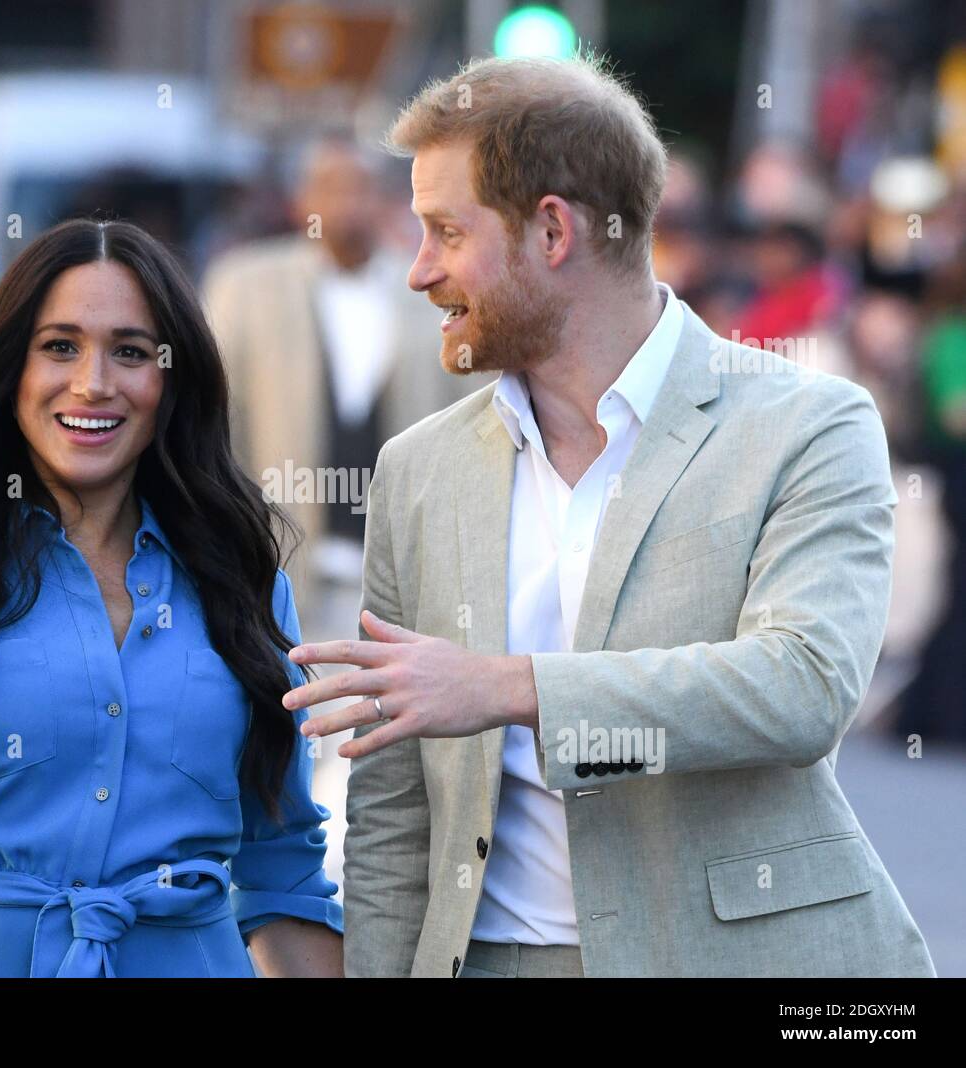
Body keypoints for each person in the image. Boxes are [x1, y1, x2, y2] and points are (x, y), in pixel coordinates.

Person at [286, 55, 936, 978]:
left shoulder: (810, 424)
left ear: (553, 229)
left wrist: (514, 687)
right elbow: (394, 813)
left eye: (443, 231)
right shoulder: (417, 469)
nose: (418, 270)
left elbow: (803, 689)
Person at [0, 218, 344, 977]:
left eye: (129, 351)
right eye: (59, 346)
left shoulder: (245, 584)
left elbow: (283, 871)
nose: (93, 383)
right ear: (9, 368)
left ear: (170, 380)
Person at [202, 134, 488, 624]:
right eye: (329, 187)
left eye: (361, 187)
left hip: (406, 588)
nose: (346, 203)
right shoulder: (246, 288)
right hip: (282, 580)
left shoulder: (430, 292)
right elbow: (215, 425)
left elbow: (475, 419)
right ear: (301, 201)